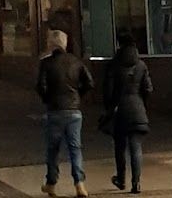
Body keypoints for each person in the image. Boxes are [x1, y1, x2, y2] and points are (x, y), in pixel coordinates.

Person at [36, 28, 93, 198]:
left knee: (53, 149)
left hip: (54, 110)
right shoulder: (76, 61)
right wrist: (78, 96)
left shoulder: (46, 63)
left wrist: (47, 99)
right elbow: (89, 82)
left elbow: (41, 86)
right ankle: (79, 183)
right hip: (74, 111)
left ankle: (51, 183)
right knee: (75, 148)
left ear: (51, 45)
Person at [105, 34, 153, 194]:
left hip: (120, 111)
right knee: (136, 147)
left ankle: (121, 178)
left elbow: (109, 91)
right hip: (138, 108)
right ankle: (136, 183)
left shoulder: (114, 65)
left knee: (120, 146)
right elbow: (148, 89)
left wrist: (110, 108)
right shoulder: (141, 65)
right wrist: (142, 104)